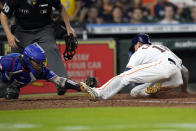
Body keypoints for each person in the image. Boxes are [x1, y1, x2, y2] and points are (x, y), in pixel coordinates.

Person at [79, 33, 189, 101]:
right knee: (134, 92)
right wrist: (184, 90)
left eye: (134, 46)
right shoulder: (163, 48)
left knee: (124, 77)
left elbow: (128, 73)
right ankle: (152, 89)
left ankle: (98, 92)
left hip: (162, 67)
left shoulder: (141, 50)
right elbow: (185, 71)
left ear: (138, 44)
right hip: (176, 78)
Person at [0, 0, 75, 95]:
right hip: (23, 29)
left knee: (52, 48)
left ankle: (62, 83)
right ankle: (13, 88)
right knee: (16, 52)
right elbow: (3, 15)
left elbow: (61, 8)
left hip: (44, 28)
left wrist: (69, 28)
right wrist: (9, 35)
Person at [0, 43, 80, 100]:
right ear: (28, 59)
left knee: (10, 98)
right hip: (2, 81)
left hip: (11, 85)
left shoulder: (41, 71)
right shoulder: (10, 61)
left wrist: (80, 87)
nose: (40, 65)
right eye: (37, 62)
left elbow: (59, 80)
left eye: (41, 62)